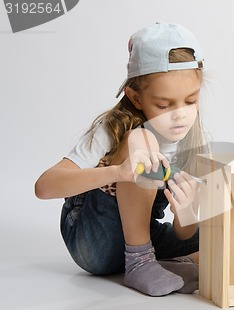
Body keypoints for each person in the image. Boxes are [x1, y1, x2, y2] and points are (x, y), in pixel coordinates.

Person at [34, 22, 207, 296]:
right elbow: (44, 187)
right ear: (136, 98)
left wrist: (185, 211)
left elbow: (185, 232)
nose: (180, 115)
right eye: (164, 105)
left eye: (190, 101)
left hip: (144, 237)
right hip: (94, 242)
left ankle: (162, 265)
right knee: (140, 139)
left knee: (218, 242)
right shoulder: (112, 128)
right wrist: (118, 172)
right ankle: (140, 264)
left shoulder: (192, 142)